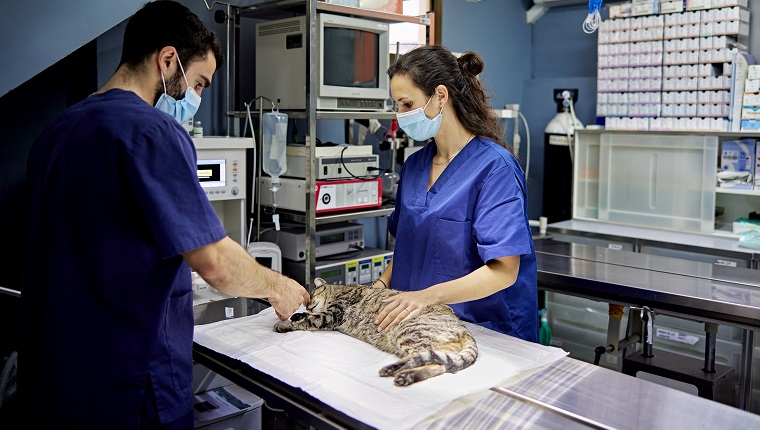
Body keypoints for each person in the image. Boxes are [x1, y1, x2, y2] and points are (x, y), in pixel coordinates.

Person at [18, 1, 309, 428]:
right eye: (199, 84)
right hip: (128, 386)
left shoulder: (55, 133)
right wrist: (277, 286)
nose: (198, 97)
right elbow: (215, 262)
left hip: (54, 382)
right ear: (168, 59)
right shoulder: (154, 132)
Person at [373, 45, 538, 342]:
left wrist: (426, 297)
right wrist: (379, 288)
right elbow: (409, 249)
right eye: (396, 105)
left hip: (484, 332)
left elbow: (504, 270)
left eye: (407, 104)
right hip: (421, 329)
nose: (400, 116)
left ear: (440, 96)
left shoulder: (494, 168)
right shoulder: (414, 166)